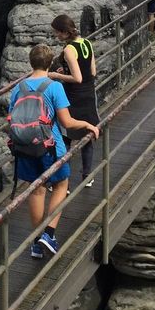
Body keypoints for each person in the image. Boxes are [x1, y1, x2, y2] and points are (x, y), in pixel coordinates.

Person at [9, 43, 99, 259]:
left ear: (31, 62)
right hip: (51, 147)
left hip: (24, 147)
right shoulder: (54, 86)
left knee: (36, 189)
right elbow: (66, 122)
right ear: (50, 64)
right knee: (60, 185)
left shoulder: (17, 88)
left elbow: (12, 117)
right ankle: (48, 234)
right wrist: (87, 125)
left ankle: (36, 242)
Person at [47, 14, 99, 187]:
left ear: (64, 32)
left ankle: (65, 184)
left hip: (74, 96)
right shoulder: (86, 43)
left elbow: (77, 78)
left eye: (57, 33)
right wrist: (67, 68)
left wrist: (57, 75)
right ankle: (87, 176)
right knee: (87, 134)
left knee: (66, 137)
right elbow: (91, 72)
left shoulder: (69, 49)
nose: (56, 36)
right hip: (89, 94)